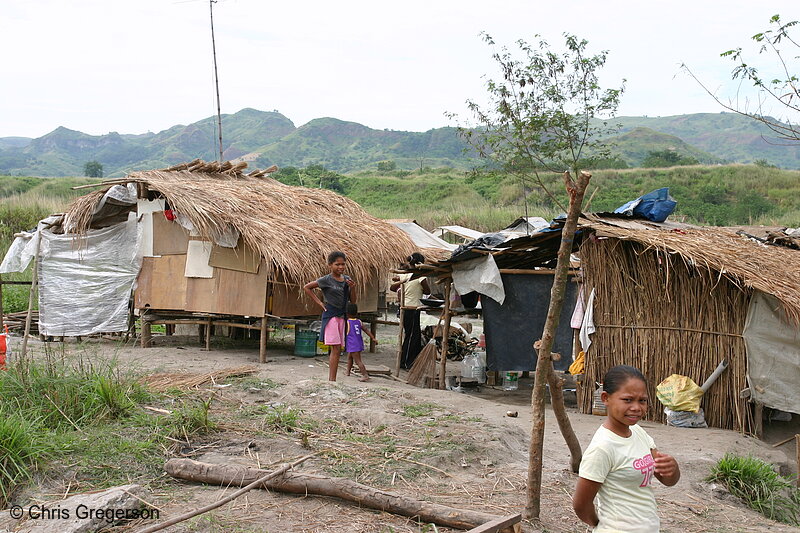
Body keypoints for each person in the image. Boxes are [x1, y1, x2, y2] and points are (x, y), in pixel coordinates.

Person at [573, 365, 680, 533]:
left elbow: (667, 480)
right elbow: (581, 505)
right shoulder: (602, 448)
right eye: (627, 400)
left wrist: (673, 469)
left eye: (642, 400)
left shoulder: (638, 433)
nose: (637, 407)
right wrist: (601, 524)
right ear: (605, 398)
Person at [303, 251, 356, 381]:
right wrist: (319, 302)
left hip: (342, 316)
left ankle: (333, 379)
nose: (341, 267)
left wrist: (353, 288)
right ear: (330, 265)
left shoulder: (347, 280)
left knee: (338, 349)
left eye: (343, 264)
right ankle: (332, 380)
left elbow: (353, 301)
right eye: (337, 264)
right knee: (336, 347)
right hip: (331, 315)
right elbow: (307, 287)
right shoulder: (326, 280)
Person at [390, 252, 430, 369]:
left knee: (412, 335)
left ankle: (411, 360)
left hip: (406, 308)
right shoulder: (420, 276)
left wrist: (402, 281)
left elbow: (392, 287)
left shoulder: (405, 275)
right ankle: (406, 362)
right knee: (412, 336)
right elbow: (427, 292)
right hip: (412, 308)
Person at [344, 303, 378, 381]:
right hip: (358, 343)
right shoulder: (359, 321)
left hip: (353, 344)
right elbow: (366, 330)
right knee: (349, 357)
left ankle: (365, 375)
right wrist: (373, 338)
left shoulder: (347, 322)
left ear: (347, 313)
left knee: (358, 361)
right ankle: (347, 372)